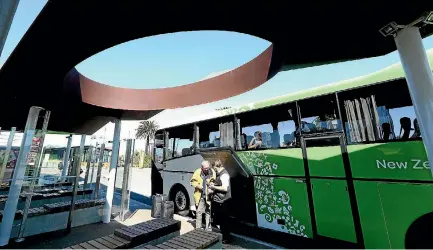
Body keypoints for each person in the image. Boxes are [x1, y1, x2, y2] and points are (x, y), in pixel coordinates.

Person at [209, 159, 231, 243]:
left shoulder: (224, 175)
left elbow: (225, 188)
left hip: (223, 200)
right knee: (221, 220)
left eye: (213, 167)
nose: (213, 169)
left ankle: (226, 238)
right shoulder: (220, 174)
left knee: (224, 221)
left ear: (216, 166)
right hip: (220, 200)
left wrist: (214, 187)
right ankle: (223, 236)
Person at [190, 160, 216, 230]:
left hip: (208, 196)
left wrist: (212, 186)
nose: (207, 169)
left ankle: (208, 228)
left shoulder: (212, 172)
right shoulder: (197, 172)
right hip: (200, 196)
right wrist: (198, 186)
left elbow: (214, 181)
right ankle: (198, 228)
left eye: (208, 168)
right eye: (205, 168)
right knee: (199, 212)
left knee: (208, 212)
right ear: (202, 167)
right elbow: (192, 182)